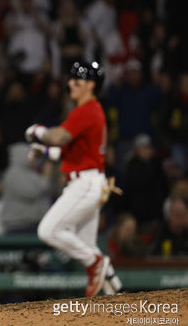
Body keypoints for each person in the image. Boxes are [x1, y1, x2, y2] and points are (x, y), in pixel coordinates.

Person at [25, 61, 122, 297]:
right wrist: (43, 151)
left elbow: (58, 137)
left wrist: (36, 132)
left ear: (90, 85)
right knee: (87, 246)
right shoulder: (91, 111)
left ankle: (97, 263)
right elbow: (68, 153)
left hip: (86, 184)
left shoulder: (87, 110)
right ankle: (117, 292)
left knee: (48, 231)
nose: (70, 83)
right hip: (90, 180)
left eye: (76, 80)